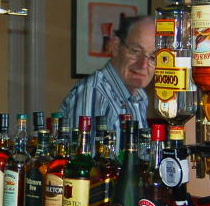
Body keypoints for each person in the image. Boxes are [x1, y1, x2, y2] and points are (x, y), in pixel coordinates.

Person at [59, 15, 156, 149]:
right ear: (116, 47)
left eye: (153, 57)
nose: (144, 65)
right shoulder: (93, 93)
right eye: (136, 51)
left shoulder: (140, 97)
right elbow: (89, 166)